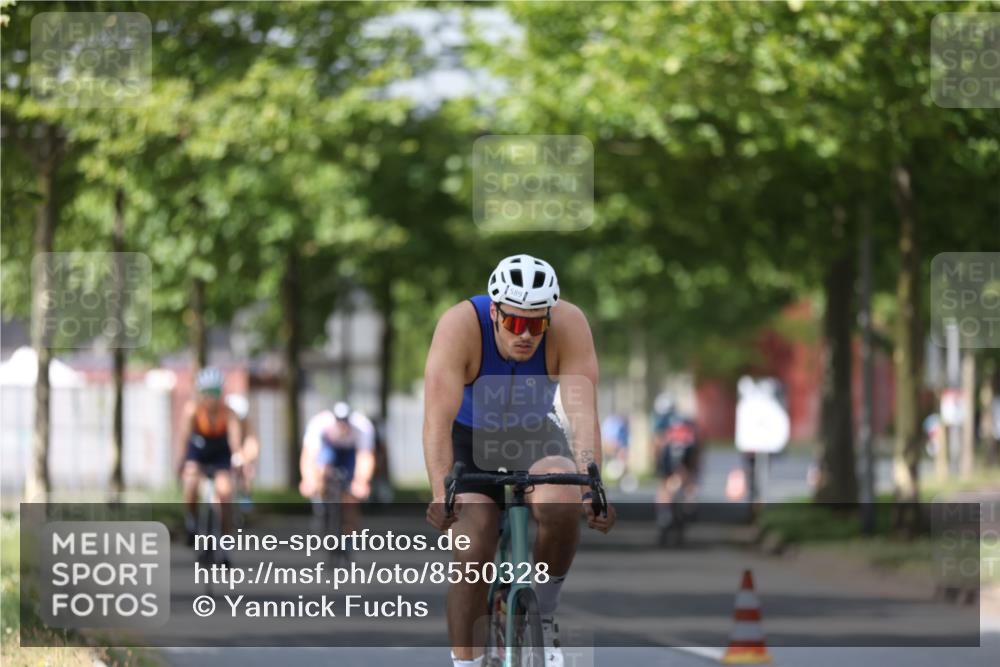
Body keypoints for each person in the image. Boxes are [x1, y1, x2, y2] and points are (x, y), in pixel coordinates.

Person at [423, 254, 616, 667]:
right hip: (468, 438)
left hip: (534, 433)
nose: (526, 334)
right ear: (495, 312)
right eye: (514, 322)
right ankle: (466, 663)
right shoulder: (460, 326)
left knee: (562, 500)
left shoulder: (569, 325)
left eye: (536, 324)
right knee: (473, 548)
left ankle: (543, 613)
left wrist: (592, 487)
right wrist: (441, 492)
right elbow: (436, 421)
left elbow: (583, 415)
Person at [175, 367, 242, 560]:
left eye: (215, 393)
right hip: (198, 452)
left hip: (220, 454)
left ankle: (225, 545)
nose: (211, 398)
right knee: (191, 482)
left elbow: (235, 440)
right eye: (207, 393)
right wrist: (181, 462)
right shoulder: (192, 411)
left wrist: (238, 458)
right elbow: (183, 438)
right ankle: (192, 522)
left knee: (225, 493)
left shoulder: (229, 413)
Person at [299, 401, 376, 534]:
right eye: (339, 421)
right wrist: (308, 480)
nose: (342, 425)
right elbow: (309, 456)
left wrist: (361, 482)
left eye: (345, 421)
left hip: (350, 452)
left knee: (351, 497)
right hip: (328, 448)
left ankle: (349, 533)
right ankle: (321, 505)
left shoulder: (362, 426)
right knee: (321, 469)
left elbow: (365, 457)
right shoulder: (319, 424)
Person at [652, 393, 700, 538]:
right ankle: (688, 504)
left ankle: (664, 515)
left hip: (671, 454)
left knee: (664, 485)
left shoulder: (661, 421)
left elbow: (657, 443)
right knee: (688, 481)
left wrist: (657, 464)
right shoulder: (687, 422)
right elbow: (698, 445)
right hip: (687, 455)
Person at [224, 394, 260, 506]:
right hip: (222, 457)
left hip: (239, 458)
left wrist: (244, 459)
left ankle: (245, 497)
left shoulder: (247, 425)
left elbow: (252, 445)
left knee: (246, 470)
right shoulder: (221, 423)